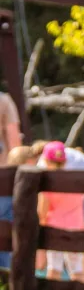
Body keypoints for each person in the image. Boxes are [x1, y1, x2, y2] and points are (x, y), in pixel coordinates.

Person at [36, 142, 84, 282]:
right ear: (65, 160)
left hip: (54, 228)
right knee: (76, 266)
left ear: (46, 161)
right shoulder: (76, 181)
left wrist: (41, 225)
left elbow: (42, 211)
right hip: (76, 227)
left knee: (54, 266)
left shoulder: (47, 184)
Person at [0, 89, 23, 270]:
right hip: (3, 179)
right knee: (5, 231)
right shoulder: (4, 101)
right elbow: (15, 144)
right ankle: (5, 278)